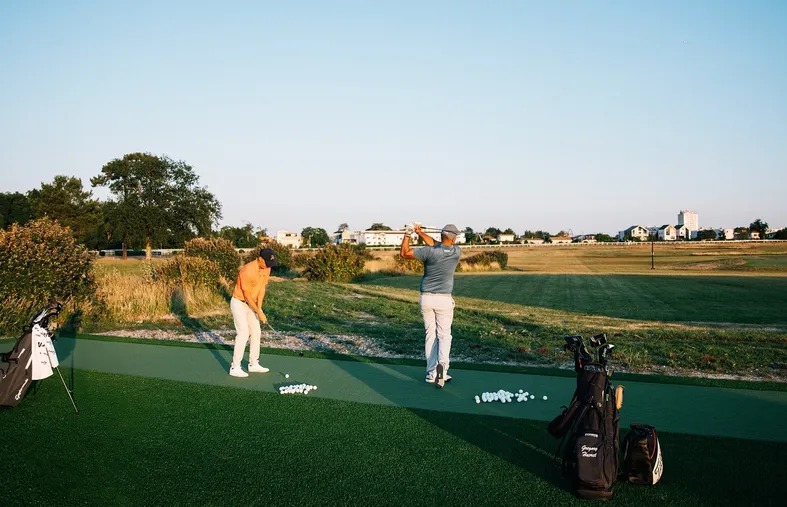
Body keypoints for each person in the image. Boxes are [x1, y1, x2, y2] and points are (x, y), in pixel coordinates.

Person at [400, 223, 462, 388]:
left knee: (431, 335)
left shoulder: (429, 252)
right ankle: (442, 370)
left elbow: (404, 253)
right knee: (444, 336)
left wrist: (409, 234)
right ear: (454, 238)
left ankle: (431, 373)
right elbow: (436, 244)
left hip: (426, 298)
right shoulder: (457, 252)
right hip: (444, 300)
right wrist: (420, 232)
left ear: (441, 236)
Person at [229, 247, 278, 377]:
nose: (269, 266)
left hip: (252, 305)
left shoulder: (267, 268)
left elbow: (262, 288)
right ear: (260, 259)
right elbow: (247, 297)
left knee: (256, 332)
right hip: (239, 303)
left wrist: (259, 308)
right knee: (243, 333)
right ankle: (235, 367)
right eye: (267, 262)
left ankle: (253, 364)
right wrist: (258, 312)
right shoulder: (247, 271)